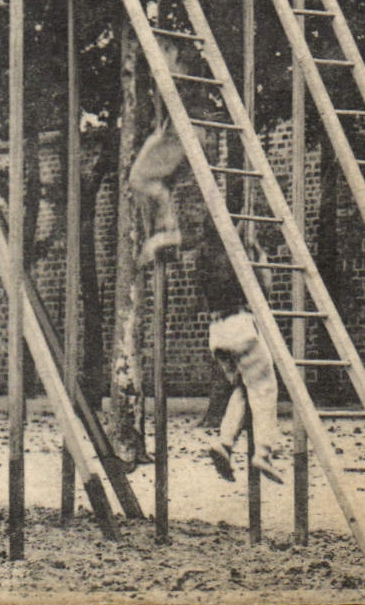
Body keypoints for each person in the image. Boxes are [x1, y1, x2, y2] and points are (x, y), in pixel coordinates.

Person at [189, 225, 284, 484]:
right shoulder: (238, 259)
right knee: (265, 387)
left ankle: (225, 442)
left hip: (216, 332)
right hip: (241, 326)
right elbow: (265, 288)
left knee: (245, 386)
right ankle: (264, 452)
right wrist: (258, 252)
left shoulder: (204, 257)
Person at [130, 37, 188, 265]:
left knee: (138, 179)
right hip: (177, 131)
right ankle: (164, 232)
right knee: (141, 181)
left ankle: (164, 231)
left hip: (177, 133)